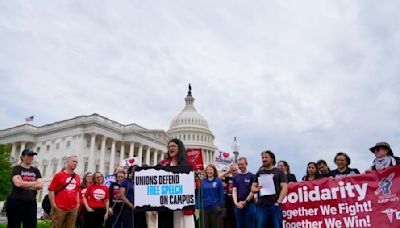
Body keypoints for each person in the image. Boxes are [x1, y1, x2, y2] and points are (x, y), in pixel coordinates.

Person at [159, 138, 196, 228]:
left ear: (180, 148)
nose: (170, 148)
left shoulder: (189, 164)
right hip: (167, 205)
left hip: (183, 204)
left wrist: (195, 183)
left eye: (173, 146)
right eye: (169, 147)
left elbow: (196, 184)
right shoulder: (163, 164)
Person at [6, 148, 43, 228]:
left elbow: (40, 185)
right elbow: (18, 184)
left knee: (31, 226)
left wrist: (24, 183)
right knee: (13, 225)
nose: (31, 157)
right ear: (22, 157)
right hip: (16, 202)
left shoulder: (36, 170)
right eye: (29, 155)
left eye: (32, 155)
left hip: (31, 203)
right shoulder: (16, 169)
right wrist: (34, 183)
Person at [251, 150, 287, 228]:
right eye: (262, 158)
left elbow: (284, 188)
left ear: (272, 159)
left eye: (266, 157)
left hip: (275, 206)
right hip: (261, 207)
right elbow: (252, 188)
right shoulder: (259, 172)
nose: (264, 159)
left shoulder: (279, 172)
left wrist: (279, 201)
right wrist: (257, 189)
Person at [48, 155, 81, 228]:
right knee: (55, 226)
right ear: (67, 162)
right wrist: (53, 205)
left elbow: (77, 191)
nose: (75, 163)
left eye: (76, 162)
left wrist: (77, 204)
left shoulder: (77, 177)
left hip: (73, 208)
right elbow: (51, 190)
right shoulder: (59, 175)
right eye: (73, 161)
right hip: (60, 207)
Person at [232, 157, 255, 228]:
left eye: (242, 164)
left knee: (250, 225)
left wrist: (245, 202)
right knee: (239, 225)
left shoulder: (252, 176)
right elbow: (234, 190)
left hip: (249, 204)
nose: (240, 166)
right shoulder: (236, 177)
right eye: (239, 165)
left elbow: (252, 191)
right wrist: (236, 203)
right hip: (238, 205)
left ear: (246, 164)